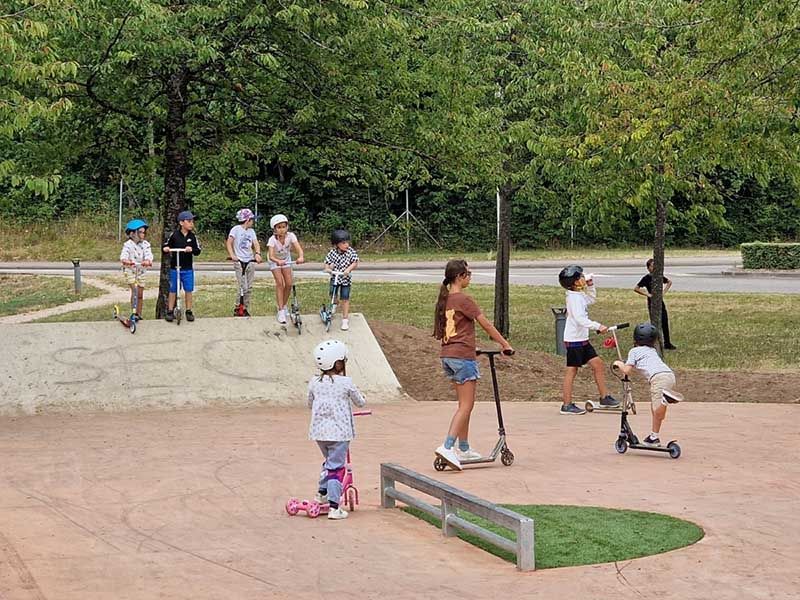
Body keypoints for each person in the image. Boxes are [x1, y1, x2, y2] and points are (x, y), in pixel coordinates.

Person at [432, 259, 514, 470]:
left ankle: (465, 448)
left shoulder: (445, 299)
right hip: (462, 357)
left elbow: (453, 330)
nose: (470, 277)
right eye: (468, 274)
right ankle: (448, 446)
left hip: (448, 355)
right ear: (460, 277)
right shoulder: (464, 300)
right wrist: (505, 344)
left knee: (463, 406)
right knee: (467, 406)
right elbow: (485, 324)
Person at [307, 339, 366, 520]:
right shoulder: (345, 382)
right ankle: (334, 507)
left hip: (319, 433)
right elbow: (360, 402)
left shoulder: (314, 382)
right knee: (336, 469)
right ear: (338, 363)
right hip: (339, 433)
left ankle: (321, 492)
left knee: (329, 462)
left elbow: (310, 403)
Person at [558, 264, 619, 415]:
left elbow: (591, 299)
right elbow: (579, 319)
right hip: (574, 340)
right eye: (581, 277)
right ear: (575, 282)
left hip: (582, 339)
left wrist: (591, 286)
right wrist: (598, 326)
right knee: (572, 370)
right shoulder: (574, 298)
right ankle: (566, 405)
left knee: (598, 364)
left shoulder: (579, 295)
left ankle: (605, 397)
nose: (584, 278)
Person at [613, 322, 683, 446]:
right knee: (655, 409)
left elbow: (627, 370)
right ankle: (653, 437)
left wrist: (618, 363)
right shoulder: (652, 351)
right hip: (669, 375)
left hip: (658, 378)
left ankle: (665, 400)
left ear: (635, 338)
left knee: (657, 408)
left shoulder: (634, 351)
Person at [162, 210, 201, 322]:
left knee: (188, 290)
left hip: (187, 268)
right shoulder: (174, 235)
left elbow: (198, 250)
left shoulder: (192, 237)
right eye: (189, 221)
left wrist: (191, 249)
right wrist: (166, 248)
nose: (191, 223)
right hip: (175, 268)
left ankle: (188, 310)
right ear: (181, 223)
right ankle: (170, 311)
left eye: (192, 221)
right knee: (173, 289)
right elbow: (166, 245)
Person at [267, 213, 305, 323]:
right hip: (275, 261)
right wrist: (278, 261)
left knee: (289, 283)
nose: (282, 230)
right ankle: (280, 310)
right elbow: (271, 256)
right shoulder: (272, 240)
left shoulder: (291, 236)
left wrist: (301, 257)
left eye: (284, 227)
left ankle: (283, 305)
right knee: (280, 283)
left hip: (286, 258)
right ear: (274, 229)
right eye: (279, 227)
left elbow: (299, 249)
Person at [226, 208, 262, 317]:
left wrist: (257, 253)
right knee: (243, 286)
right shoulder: (236, 229)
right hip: (239, 261)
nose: (253, 222)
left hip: (250, 260)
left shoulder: (251, 231)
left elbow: (256, 243)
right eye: (252, 220)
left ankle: (245, 308)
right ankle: (238, 307)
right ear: (247, 220)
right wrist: (233, 255)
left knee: (249, 287)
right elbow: (229, 242)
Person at [634, 258, 676, 350]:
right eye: (652, 266)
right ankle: (654, 342)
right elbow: (636, 288)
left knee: (664, 321)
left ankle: (667, 343)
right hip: (652, 302)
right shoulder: (646, 278)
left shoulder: (659, 276)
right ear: (648, 268)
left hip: (660, 301)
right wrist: (648, 294)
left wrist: (663, 292)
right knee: (655, 323)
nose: (654, 267)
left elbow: (669, 282)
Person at [323, 229, 358, 331]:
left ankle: (345, 319)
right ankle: (335, 303)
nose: (346, 244)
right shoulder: (332, 253)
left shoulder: (351, 252)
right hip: (335, 278)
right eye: (343, 243)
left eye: (347, 242)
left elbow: (355, 262)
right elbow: (327, 262)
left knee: (345, 298)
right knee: (332, 294)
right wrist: (328, 268)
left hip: (345, 280)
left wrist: (348, 269)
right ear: (337, 244)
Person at [119, 219, 153, 320]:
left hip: (141, 271)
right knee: (135, 291)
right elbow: (123, 255)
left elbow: (149, 254)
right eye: (141, 232)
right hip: (131, 270)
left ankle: (139, 314)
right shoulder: (128, 245)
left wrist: (148, 260)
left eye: (144, 232)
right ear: (133, 233)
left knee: (140, 294)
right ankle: (133, 312)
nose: (143, 234)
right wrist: (125, 260)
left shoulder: (146, 244)